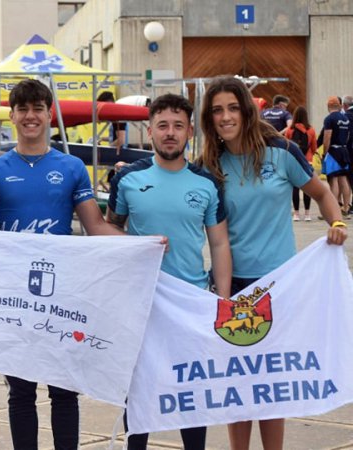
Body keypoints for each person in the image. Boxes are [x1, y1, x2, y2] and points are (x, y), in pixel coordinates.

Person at [0, 79, 126, 450]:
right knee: (21, 392)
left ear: (49, 114)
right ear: (12, 116)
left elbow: (95, 226)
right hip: (13, 295)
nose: (30, 116)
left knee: (64, 391)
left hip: (62, 293)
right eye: (22, 109)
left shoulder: (71, 167)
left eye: (38, 108)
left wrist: (144, 244)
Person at [198, 76, 347, 450]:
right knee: (237, 384)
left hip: (280, 287)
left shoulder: (281, 152)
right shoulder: (208, 165)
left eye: (233, 108)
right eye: (217, 110)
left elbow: (322, 193)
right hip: (232, 287)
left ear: (247, 111)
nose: (226, 117)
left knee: (269, 383)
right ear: (209, 118)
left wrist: (337, 223)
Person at [107, 93, 231, 450]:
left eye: (178, 126)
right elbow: (109, 229)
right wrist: (137, 246)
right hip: (141, 301)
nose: (170, 133)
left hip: (190, 302)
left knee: (191, 389)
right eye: (162, 125)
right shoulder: (128, 179)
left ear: (190, 131)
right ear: (150, 131)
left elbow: (220, 243)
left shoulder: (207, 183)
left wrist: (222, 302)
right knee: (139, 388)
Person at [284, 106, 318, 221]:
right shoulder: (311, 130)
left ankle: (296, 214)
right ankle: (307, 214)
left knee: (295, 188)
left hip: (293, 161)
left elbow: (287, 146)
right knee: (307, 187)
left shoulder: (289, 130)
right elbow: (314, 147)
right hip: (307, 161)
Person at [321, 96, 351, 217]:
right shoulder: (345, 118)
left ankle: (334, 209)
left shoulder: (329, 119)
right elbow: (348, 136)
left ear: (328, 106)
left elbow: (327, 136)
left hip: (333, 151)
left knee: (333, 180)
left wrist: (325, 152)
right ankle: (346, 208)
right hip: (344, 150)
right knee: (343, 179)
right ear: (339, 105)